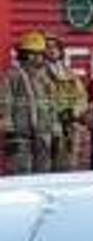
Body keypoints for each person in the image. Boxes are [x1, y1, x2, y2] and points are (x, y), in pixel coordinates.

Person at [0, 32, 56, 175]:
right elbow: (4, 100)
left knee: (43, 173)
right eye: (33, 53)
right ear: (23, 54)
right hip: (20, 133)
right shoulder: (12, 75)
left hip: (43, 133)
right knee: (20, 172)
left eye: (40, 54)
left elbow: (52, 104)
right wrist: (7, 126)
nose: (38, 57)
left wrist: (55, 128)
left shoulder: (46, 77)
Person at [43, 35, 88, 172]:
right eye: (48, 47)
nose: (52, 50)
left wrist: (75, 111)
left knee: (70, 163)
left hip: (70, 124)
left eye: (55, 47)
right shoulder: (39, 73)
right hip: (49, 123)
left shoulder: (69, 72)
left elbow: (81, 96)